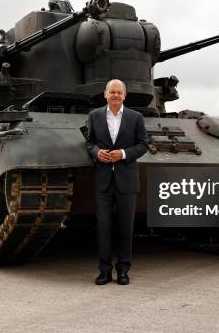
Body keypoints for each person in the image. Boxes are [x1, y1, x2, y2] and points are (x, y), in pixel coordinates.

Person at [86, 79, 148, 285]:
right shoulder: (94, 116)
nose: (115, 95)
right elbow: (89, 143)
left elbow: (143, 145)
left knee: (125, 227)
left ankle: (123, 269)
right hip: (104, 180)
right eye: (112, 92)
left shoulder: (135, 117)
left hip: (127, 179)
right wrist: (97, 152)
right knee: (103, 226)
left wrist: (122, 154)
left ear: (125, 95)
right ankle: (104, 270)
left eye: (119, 92)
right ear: (105, 94)